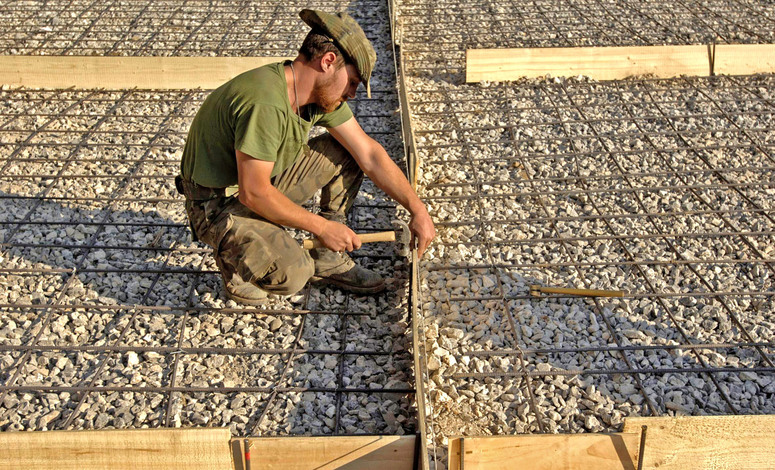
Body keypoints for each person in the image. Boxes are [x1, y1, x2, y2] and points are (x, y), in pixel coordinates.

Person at [176, 9, 435, 305]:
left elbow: (369, 154)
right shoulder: (265, 103)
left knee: (346, 151)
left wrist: (418, 209)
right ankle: (233, 262)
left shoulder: (316, 95)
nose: (352, 93)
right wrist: (322, 227)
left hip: (255, 186)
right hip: (216, 206)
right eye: (352, 82)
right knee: (293, 275)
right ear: (328, 62)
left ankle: (326, 258)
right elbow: (253, 192)